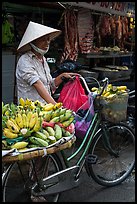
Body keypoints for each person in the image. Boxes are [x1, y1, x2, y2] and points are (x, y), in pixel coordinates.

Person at [16, 21, 80, 105]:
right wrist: (55, 105)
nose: (47, 43)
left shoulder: (43, 60)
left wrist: (62, 76)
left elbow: (49, 85)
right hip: (29, 110)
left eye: (48, 40)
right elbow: (37, 84)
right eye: (43, 40)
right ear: (33, 42)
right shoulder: (25, 61)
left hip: (45, 108)